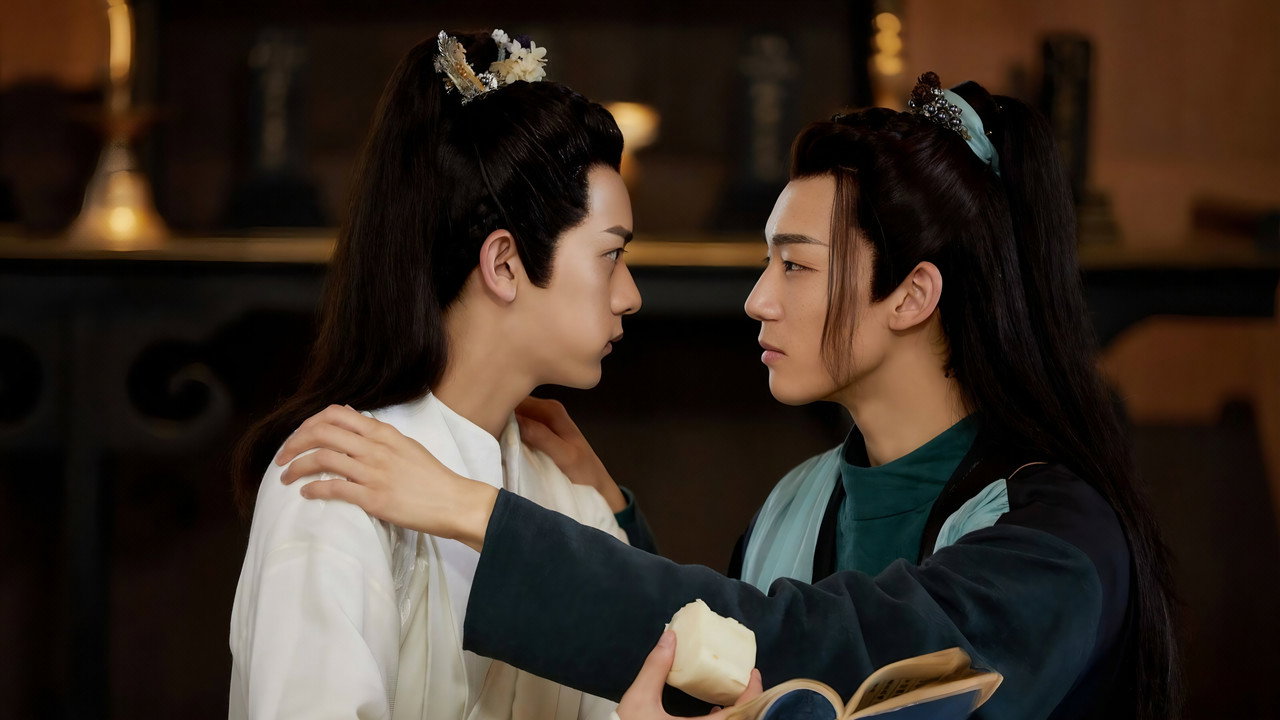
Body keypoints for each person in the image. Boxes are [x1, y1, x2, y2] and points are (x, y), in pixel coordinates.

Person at [275, 72, 1182, 719]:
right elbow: (720, 665)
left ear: (912, 295)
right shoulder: (798, 501)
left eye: (795, 265)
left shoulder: (1057, 540)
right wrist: (611, 516)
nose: (757, 299)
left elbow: (814, 650)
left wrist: (477, 511)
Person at [227, 29, 643, 719]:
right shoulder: (334, 483)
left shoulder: (571, 499)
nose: (629, 296)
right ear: (504, 264)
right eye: (611, 256)